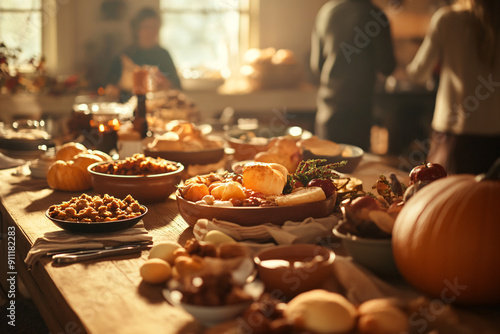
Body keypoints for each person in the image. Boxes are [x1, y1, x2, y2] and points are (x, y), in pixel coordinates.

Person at [407, 0, 500, 174]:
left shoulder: (447, 19)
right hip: (496, 136)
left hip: (454, 133)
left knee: (449, 198)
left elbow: (417, 74)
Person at [311, 0, 396, 152]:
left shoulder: (326, 11)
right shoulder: (375, 15)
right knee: (355, 169)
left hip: (327, 108)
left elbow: (316, 66)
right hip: (358, 111)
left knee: (325, 165)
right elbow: (387, 66)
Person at [105, 7, 182, 101]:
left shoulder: (163, 55)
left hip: (157, 107)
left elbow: (177, 87)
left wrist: (166, 83)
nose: (151, 32)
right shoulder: (124, 55)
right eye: (146, 27)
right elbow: (109, 87)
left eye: (155, 27)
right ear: (136, 29)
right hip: (126, 106)